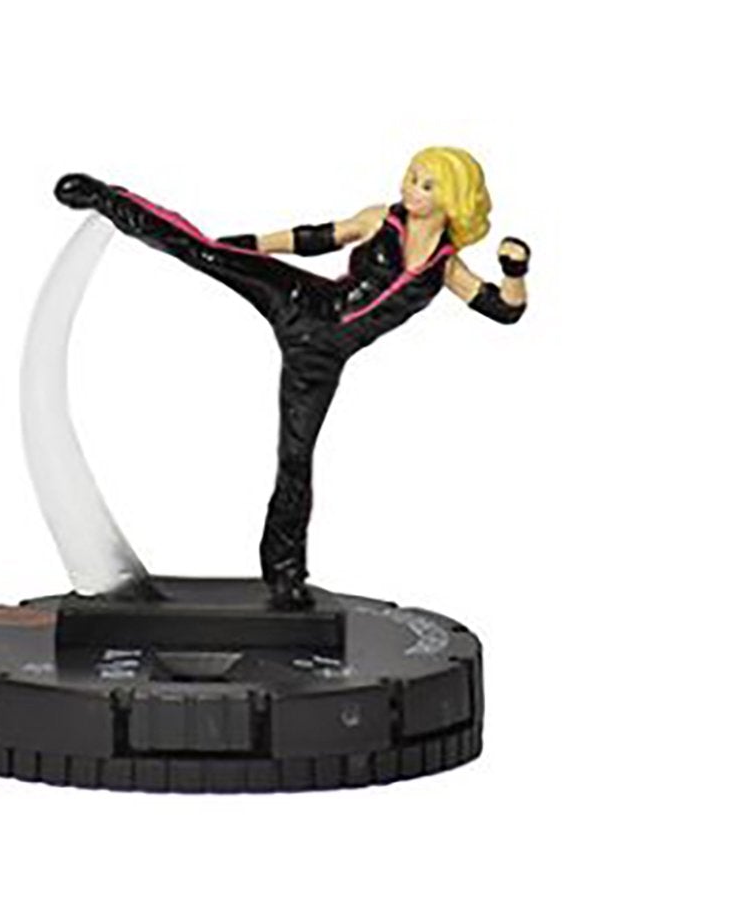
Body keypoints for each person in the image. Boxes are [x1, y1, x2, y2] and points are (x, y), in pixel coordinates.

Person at [55, 148, 529, 609]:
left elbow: (506, 310)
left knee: (296, 460)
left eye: (426, 184)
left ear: (452, 198)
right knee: (205, 252)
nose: (410, 188)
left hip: (321, 357)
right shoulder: (380, 219)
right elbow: (317, 238)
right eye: (411, 176)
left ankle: (285, 576)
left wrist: (515, 270)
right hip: (302, 300)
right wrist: (250, 246)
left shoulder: (445, 267)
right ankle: (108, 198)